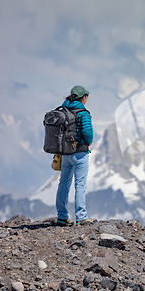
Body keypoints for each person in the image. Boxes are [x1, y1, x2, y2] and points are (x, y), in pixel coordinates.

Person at [56, 85, 96, 226]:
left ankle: (62, 216)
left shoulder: (63, 110)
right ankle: (81, 217)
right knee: (80, 185)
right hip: (79, 154)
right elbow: (87, 134)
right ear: (83, 97)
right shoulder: (83, 113)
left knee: (63, 184)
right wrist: (88, 142)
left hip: (65, 153)